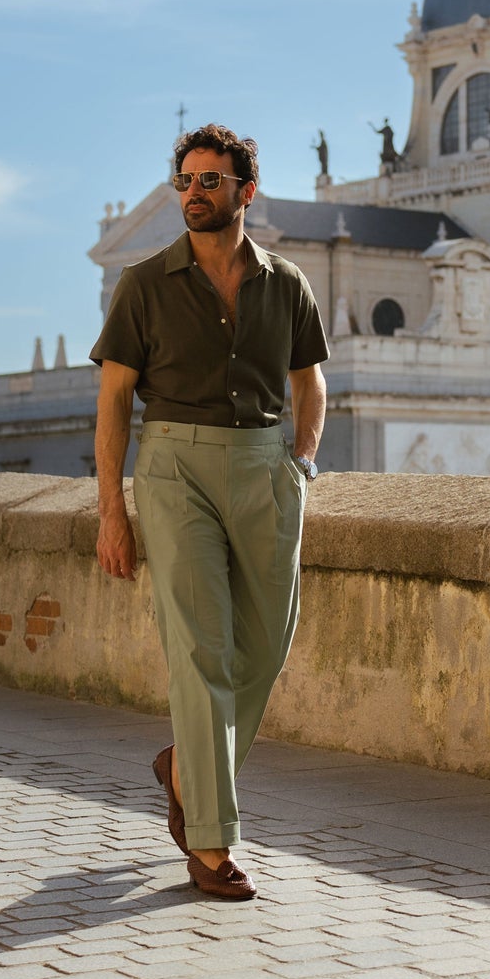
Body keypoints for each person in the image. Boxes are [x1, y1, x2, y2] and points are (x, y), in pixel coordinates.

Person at [92, 123, 328, 900]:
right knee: (201, 649)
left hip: (265, 464)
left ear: (244, 192)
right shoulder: (144, 282)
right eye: (185, 181)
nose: (193, 193)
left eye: (209, 182)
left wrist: (302, 460)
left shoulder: (286, 281)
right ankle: (210, 838)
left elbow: (311, 380)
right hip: (173, 468)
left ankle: (186, 765)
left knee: (264, 646)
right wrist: (112, 511)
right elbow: (115, 401)